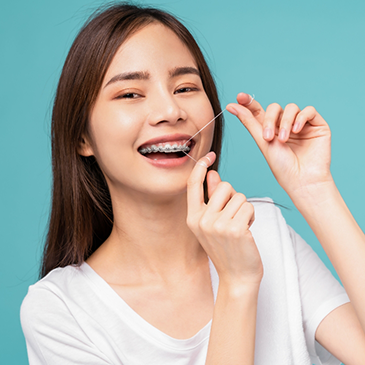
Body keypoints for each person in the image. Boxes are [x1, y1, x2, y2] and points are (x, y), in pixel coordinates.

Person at [20, 3, 365, 364]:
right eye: (130, 94)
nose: (171, 111)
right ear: (82, 138)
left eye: (185, 87)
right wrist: (237, 285)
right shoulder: (59, 311)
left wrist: (314, 189)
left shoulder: (262, 232)